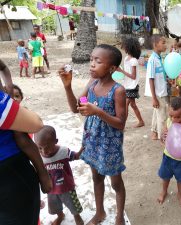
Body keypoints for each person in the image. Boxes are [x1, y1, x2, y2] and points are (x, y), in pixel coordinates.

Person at [59, 44, 126, 225]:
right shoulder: (92, 84)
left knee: (115, 183)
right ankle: (100, 212)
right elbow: (76, 108)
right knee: (96, 177)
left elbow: (120, 124)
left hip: (109, 145)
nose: (92, 64)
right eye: (91, 59)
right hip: (92, 141)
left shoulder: (118, 91)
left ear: (112, 68)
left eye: (98, 61)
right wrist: (67, 86)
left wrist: (98, 112)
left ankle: (119, 216)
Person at [0, 77, 47, 224]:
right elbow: (36, 125)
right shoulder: (14, 118)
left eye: (17, 96)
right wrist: (43, 175)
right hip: (10, 173)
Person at [35, 125, 84, 225]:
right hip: (51, 189)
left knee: (73, 205)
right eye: (40, 148)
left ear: (56, 141)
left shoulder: (64, 151)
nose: (44, 151)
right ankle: (60, 215)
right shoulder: (39, 157)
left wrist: (81, 150)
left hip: (67, 187)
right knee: (55, 206)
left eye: (48, 147)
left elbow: (75, 156)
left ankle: (77, 217)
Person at [157, 97, 181, 206]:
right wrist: (162, 136)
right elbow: (162, 138)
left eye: (178, 117)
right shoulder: (169, 122)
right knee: (165, 176)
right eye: (171, 116)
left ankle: (180, 193)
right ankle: (164, 191)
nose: (174, 119)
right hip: (167, 157)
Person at [144, 34, 168, 140]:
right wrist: (154, 98)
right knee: (162, 116)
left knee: (157, 112)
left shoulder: (159, 58)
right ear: (155, 45)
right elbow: (151, 78)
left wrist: (167, 80)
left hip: (161, 90)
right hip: (158, 93)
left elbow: (160, 75)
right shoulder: (153, 60)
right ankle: (163, 138)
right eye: (163, 43)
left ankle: (154, 132)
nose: (165, 45)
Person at [117, 37, 145, 127]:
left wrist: (121, 71)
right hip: (127, 85)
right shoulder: (126, 59)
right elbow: (127, 72)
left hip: (133, 85)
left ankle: (122, 125)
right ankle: (141, 121)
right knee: (133, 105)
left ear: (129, 47)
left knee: (125, 105)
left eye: (125, 46)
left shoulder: (133, 61)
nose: (124, 48)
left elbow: (133, 76)